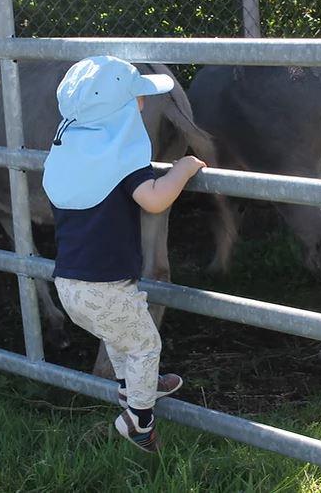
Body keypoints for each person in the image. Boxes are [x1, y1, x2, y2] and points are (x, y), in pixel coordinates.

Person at [42, 55, 206, 452]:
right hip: (106, 286)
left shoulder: (72, 156)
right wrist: (182, 168)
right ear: (117, 111)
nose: (143, 104)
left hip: (69, 284)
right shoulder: (121, 160)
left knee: (119, 339)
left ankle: (134, 388)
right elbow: (154, 200)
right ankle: (139, 423)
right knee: (146, 345)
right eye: (136, 99)